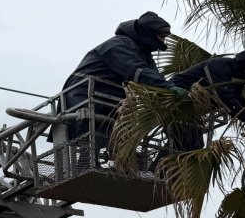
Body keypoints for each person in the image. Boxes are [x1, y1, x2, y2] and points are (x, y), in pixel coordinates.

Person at [60, 11, 186, 147]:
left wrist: (170, 89)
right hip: (82, 94)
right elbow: (137, 71)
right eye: (161, 36)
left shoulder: (143, 53)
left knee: (104, 135)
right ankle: (90, 160)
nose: (163, 41)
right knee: (91, 134)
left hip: (108, 97)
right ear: (148, 33)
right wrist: (168, 87)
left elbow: (154, 77)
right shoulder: (118, 45)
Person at [168, 43, 245, 151]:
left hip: (190, 108)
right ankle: (159, 167)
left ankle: (161, 166)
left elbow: (238, 98)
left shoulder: (237, 76)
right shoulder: (222, 66)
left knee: (194, 144)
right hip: (176, 97)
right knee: (185, 140)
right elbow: (225, 96)